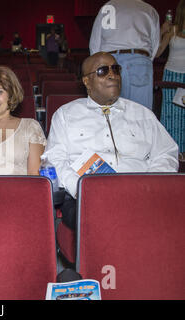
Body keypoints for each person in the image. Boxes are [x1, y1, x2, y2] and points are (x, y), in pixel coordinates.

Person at [44, 52, 178, 229]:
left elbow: (166, 153)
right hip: (88, 197)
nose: (112, 75)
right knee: (102, 219)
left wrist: (150, 185)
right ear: (86, 81)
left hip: (142, 191)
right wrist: (81, 189)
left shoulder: (142, 113)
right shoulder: (66, 115)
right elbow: (55, 160)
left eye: (116, 69)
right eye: (102, 71)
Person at [89, 0, 160, 110]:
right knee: (140, 113)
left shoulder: (109, 6)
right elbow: (155, 44)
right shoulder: (149, 9)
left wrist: (96, 67)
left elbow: (95, 42)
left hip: (109, 61)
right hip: (139, 61)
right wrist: (146, 61)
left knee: (109, 113)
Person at [155, 0, 185, 157]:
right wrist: (161, 32)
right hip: (172, 75)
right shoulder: (172, 30)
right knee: (170, 114)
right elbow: (157, 52)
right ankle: (172, 152)